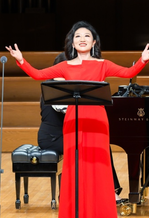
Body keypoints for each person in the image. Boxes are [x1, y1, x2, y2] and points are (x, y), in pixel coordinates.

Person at [7, 21, 149, 218]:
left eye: (87, 36)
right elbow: (38, 75)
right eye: (78, 36)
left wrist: (143, 60)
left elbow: (128, 72)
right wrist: (21, 60)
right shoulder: (65, 66)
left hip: (97, 122)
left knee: (98, 172)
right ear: (72, 42)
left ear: (94, 42)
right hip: (73, 122)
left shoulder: (103, 64)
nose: (82, 39)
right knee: (75, 172)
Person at [37, 53, 126, 204]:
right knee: (89, 148)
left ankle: (107, 191)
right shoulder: (54, 88)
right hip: (53, 138)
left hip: (66, 135)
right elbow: (68, 110)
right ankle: (84, 194)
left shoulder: (66, 87)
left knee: (101, 146)